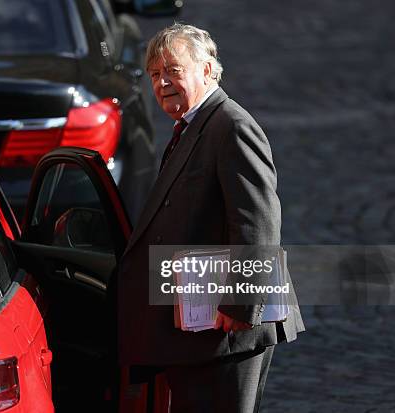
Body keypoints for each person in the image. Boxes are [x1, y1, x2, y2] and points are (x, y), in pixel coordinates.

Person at [117, 23, 304, 412]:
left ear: (207, 70)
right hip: (196, 330)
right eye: (155, 74)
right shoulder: (191, 126)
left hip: (227, 330)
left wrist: (239, 305)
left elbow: (258, 221)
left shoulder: (231, 126)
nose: (163, 82)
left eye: (174, 70)